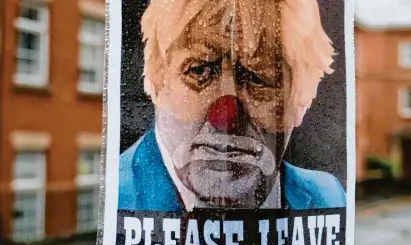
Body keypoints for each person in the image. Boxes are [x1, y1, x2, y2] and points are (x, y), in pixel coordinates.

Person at [118, 0, 346, 211]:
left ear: (302, 100)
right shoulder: (115, 195)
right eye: (199, 71)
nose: (226, 116)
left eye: (258, 78)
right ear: (156, 82)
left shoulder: (328, 197)